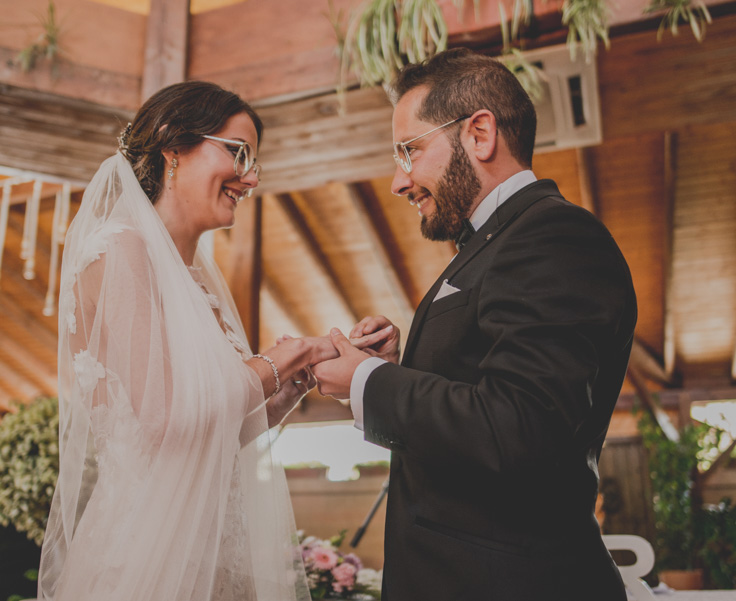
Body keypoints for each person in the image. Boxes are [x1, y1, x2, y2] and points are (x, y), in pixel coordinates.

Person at [37, 81, 386, 601]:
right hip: (149, 548)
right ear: (172, 147)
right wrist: (290, 353)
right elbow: (163, 417)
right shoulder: (119, 250)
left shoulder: (196, 278)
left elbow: (214, 429)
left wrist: (288, 387)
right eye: (239, 153)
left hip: (211, 544)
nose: (251, 178)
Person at [314, 48, 638, 601]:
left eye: (409, 150)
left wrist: (369, 382)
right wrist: (394, 366)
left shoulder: (552, 235)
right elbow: (484, 397)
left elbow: (523, 427)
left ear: (479, 133)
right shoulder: (497, 243)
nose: (399, 180)